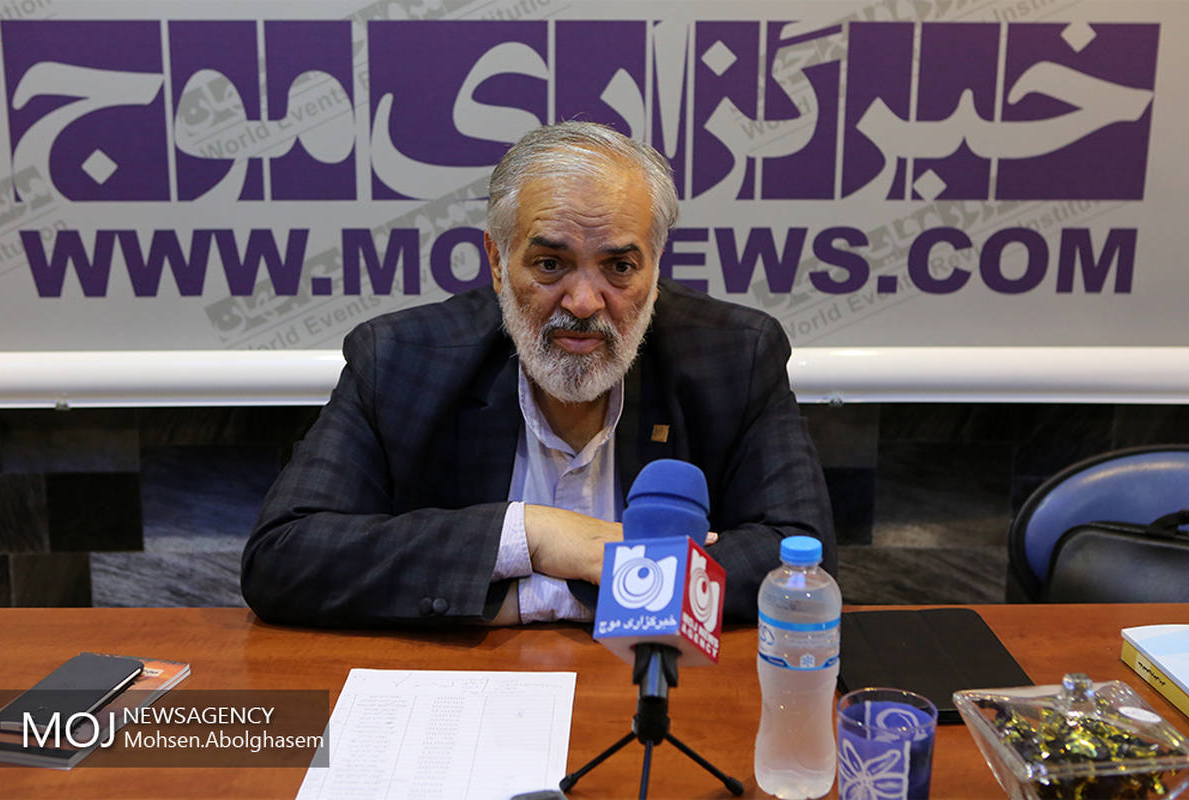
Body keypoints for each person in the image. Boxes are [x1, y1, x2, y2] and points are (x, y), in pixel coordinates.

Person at [242, 121, 834, 627]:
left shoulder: (735, 355)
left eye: (619, 267)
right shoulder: (400, 360)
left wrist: (555, 595)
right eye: (551, 264)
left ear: (655, 269)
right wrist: (537, 535)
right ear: (498, 262)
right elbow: (283, 556)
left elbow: (802, 561)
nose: (584, 302)